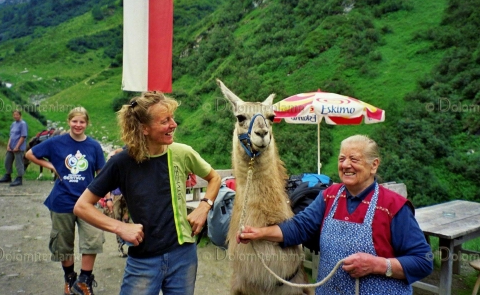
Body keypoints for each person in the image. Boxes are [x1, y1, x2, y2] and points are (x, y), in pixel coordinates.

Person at [238, 134, 433, 295]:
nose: (346, 165)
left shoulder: (392, 206)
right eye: (342, 159)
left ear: (374, 165)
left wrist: (377, 265)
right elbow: (299, 228)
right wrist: (259, 233)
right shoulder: (329, 196)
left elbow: (423, 261)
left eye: (354, 159)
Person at [74, 91, 221, 295]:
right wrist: (119, 227)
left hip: (183, 255)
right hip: (143, 260)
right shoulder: (121, 162)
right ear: (144, 128)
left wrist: (204, 206)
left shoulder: (182, 152)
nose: (174, 125)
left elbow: (215, 178)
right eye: (165, 121)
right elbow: (82, 206)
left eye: (172, 118)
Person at [25, 107, 106, 295]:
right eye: (74, 121)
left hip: (87, 202)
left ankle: (85, 280)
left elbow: (101, 173)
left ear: (87, 123)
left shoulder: (93, 146)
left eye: (82, 122)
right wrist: (51, 165)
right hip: (62, 201)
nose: (78, 125)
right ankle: (70, 279)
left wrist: (105, 196)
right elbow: (30, 154)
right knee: (63, 243)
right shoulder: (56, 142)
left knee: (93, 239)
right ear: (69, 121)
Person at [0, 110, 28, 186]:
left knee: (18, 163)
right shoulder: (13, 124)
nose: (15, 116)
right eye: (14, 115)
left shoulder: (23, 124)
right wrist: (8, 145)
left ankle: (19, 178)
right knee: (7, 161)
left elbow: (23, 136)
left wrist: (17, 146)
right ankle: (8, 176)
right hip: (11, 147)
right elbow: (11, 136)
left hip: (18, 148)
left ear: (20, 115)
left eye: (17, 115)